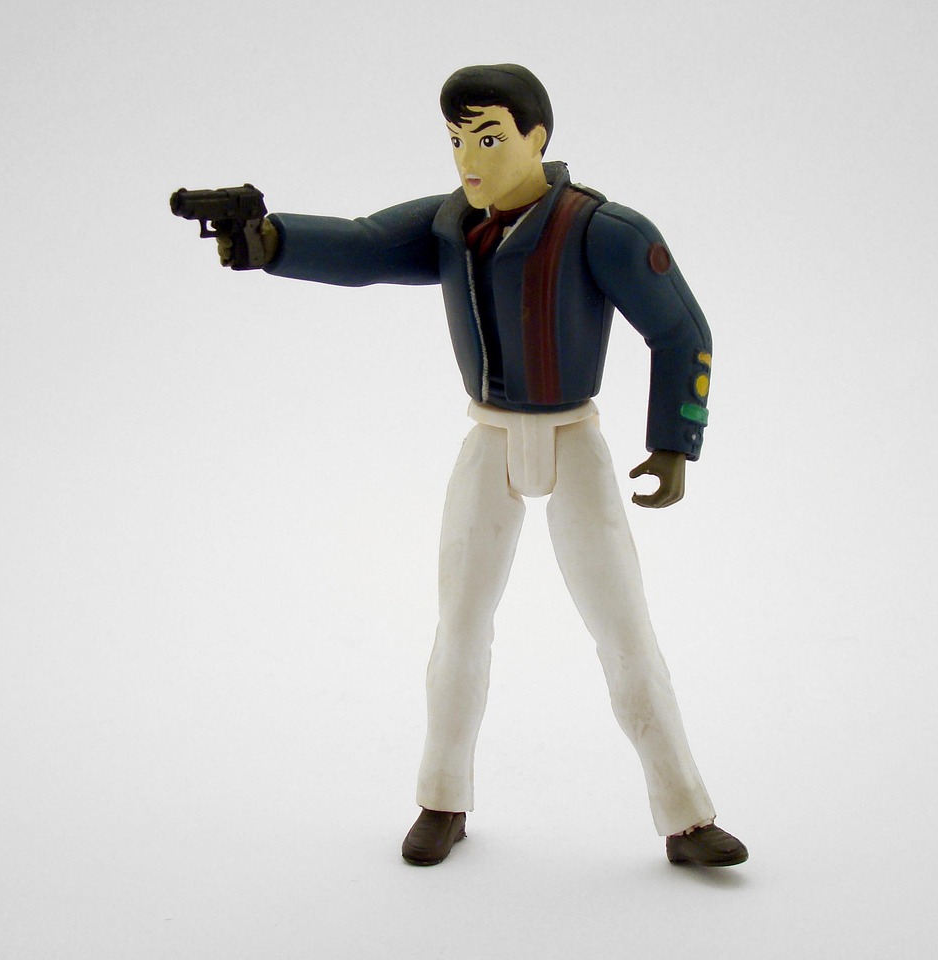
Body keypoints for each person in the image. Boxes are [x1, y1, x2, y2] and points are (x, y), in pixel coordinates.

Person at [202, 63, 746, 868]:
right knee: (459, 625)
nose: (468, 158)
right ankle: (442, 797)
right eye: (456, 140)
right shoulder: (450, 223)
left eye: (488, 139)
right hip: (488, 438)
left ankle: (686, 816)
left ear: (537, 137)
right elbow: (362, 245)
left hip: (574, 437)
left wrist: (674, 440)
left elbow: (681, 331)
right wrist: (268, 239)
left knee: (624, 630)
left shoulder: (602, 230)